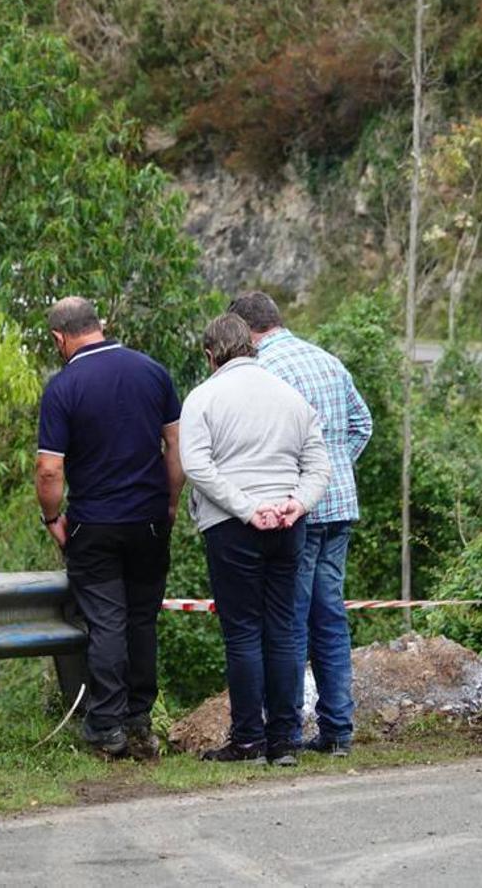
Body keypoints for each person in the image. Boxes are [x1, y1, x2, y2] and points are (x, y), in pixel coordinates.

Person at [180, 313, 332, 766]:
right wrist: (297, 504)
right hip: (289, 524)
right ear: (253, 348)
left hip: (232, 527)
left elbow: (196, 465)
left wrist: (247, 509)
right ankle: (285, 739)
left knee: (243, 632)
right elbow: (319, 463)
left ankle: (248, 739)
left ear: (211, 356)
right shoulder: (291, 396)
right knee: (285, 630)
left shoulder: (203, 398)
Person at [35, 297, 183, 760]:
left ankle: (106, 726)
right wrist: (170, 502)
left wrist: (51, 519)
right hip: (149, 521)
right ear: (101, 325)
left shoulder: (63, 388)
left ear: (60, 339)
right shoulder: (153, 372)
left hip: (95, 525)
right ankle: (140, 720)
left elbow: (48, 471)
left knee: (107, 623)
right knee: (142, 619)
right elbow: (177, 448)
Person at [228, 292, 372, 757]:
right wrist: (334, 472)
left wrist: (301, 488)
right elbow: (362, 424)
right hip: (339, 507)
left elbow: (262, 443)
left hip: (296, 511)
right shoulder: (326, 360)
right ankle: (337, 731)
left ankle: (286, 732)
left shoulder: (263, 370)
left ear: (245, 331)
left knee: (288, 621)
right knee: (330, 619)